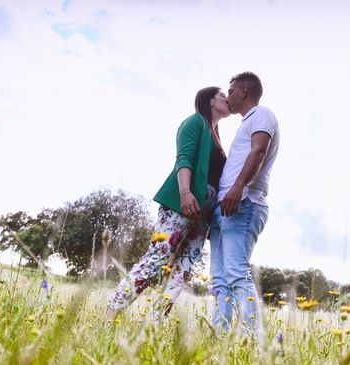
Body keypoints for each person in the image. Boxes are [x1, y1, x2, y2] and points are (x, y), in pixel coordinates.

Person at [108, 86, 230, 318]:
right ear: (210, 101)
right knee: (156, 259)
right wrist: (185, 193)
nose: (227, 98)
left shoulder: (216, 134)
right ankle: (111, 314)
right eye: (222, 95)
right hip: (181, 204)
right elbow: (183, 158)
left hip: (203, 215)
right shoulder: (194, 122)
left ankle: (154, 324)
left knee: (182, 270)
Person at [210, 72, 280, 334]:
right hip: (224, 207)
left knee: (237, 273)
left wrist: (238, 187)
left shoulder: (262, 114)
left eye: (230, 91)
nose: (227, 96)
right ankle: (221, 335)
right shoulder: (245, 123)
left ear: (243, 92)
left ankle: (253, 339)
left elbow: (258, 150)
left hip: (244, 203)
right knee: (219, 278)